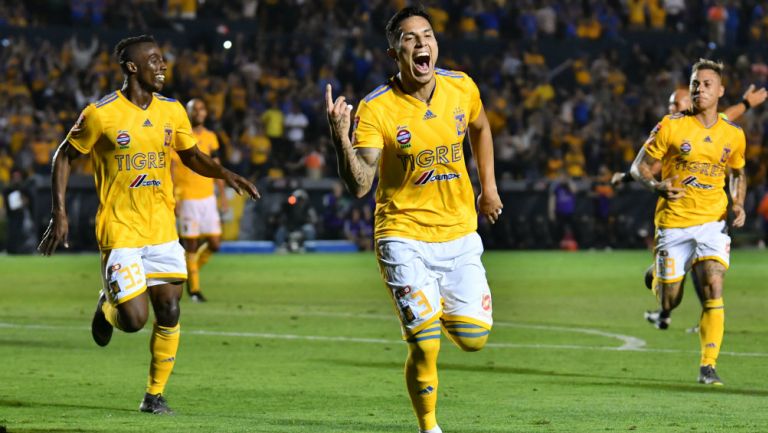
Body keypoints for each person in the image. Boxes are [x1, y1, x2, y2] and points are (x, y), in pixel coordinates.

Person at [37, 35, 259, 414]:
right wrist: (60, 212)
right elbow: (63, 156)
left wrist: (225, 173)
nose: (163, 66)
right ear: (131, 66)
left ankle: (153, 395)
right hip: (120, 228)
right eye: (154, 60)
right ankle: (107, 306)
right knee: (135, 320)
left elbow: (191, 156)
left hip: (161, 227)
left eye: (163, 59)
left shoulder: (173, 111)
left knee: (170, 309)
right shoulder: (101, 114)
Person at [325, 7, 503, 433]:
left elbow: (481, 128)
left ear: (436, 44)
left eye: (427, 35)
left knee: (475, 339)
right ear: (394, 52)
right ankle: (429, 427)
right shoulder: (377, 108)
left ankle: (427, 306)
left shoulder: (462, 87)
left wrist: (489, 187)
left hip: (459, 233)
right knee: (425, 343)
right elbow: (362, 183)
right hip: (403, 235)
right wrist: (340, 140)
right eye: (409, 38)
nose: (421, 43)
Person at [612, 84, 766, 331]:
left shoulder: (711, 124)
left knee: (705, 271)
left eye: (676, 103)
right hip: (677, 210)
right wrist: (629, 176)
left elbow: (728, 116)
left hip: (707, 214)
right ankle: (666, 305)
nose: (672, 107)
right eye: (671, 103)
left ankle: (702, 322)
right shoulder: (673, 127)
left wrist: (747, 104)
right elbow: (647, 166)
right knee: (684, 278)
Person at [631, 59, 747, 385]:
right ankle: (659, 275)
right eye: (695, 83)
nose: (699, 88)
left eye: (707, 83)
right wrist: (656, 186)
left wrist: (737, 202)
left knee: (714, 286)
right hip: (674, 223)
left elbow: (738, 172)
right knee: (671, 299)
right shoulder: (670, 126)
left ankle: (708, 366)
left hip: (713, 221)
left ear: (720, 90)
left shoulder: (733, 134)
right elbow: (639, 167)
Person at [170, 98, 228, 303]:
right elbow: (171, 168)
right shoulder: (179, 136)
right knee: (191, 244)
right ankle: (194, 289)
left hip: (207, 198)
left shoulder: (212, 137)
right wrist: (172, 197)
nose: (200, 112)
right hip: (186, 197)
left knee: (215, 242)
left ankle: (187, 272)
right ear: (188, 112)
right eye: (196, 109)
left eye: (202, 109)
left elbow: (216, 167)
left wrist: (222, 196)